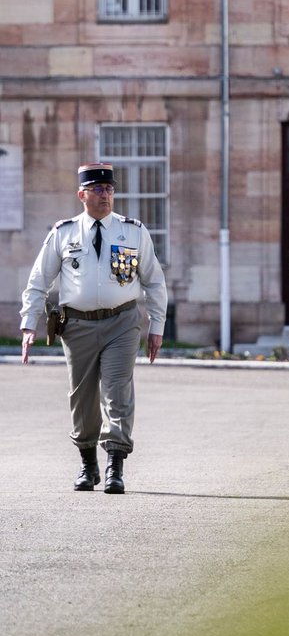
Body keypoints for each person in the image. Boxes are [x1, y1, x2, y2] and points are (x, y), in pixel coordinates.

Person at [20, 162, 168, 494]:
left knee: (117, 393)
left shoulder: (133, 231)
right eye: (98, 190)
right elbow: (38, 282)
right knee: (82, 399)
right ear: (82, 195)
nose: (106, 195)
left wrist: (157, 325)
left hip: (122, 322)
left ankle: (116, 466)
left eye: (110, 189)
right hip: (78, 327)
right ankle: (89, 466)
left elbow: (154, 282)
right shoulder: (63, 232)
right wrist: (29, 323)